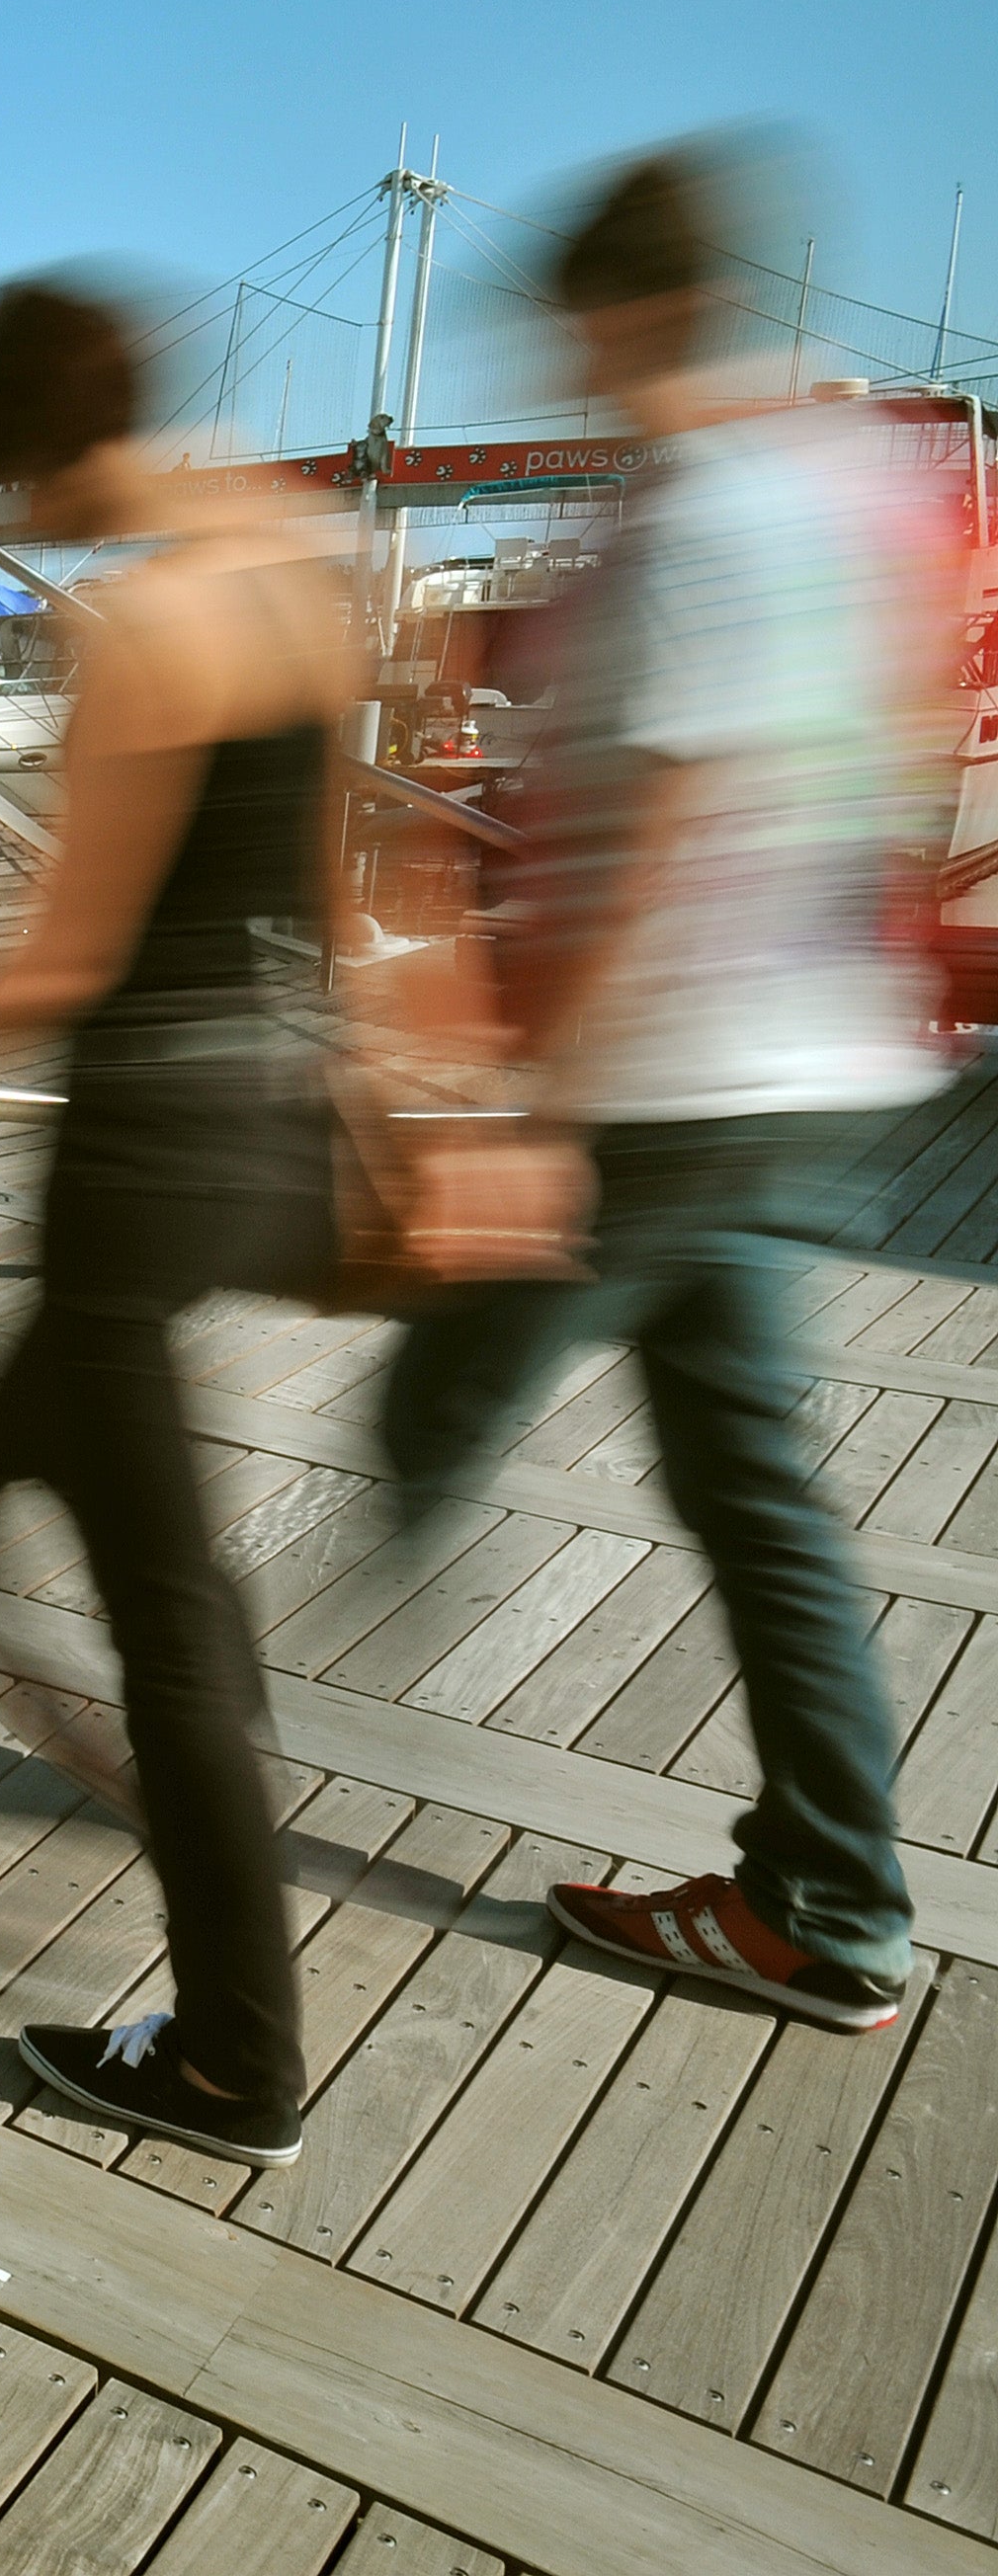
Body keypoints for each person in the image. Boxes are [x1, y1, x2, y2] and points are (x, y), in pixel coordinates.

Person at [378, 147, 952, 2036]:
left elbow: (669, 818)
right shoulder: (825, 483)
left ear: (620, 311)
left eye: (558, 317)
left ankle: (242, 1689)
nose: (549, 355)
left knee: (436, 1390)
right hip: (792, 1051)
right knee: (749, 1484)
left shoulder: (705, 510)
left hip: (683, 1077)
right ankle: (822, 1900)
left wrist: (533, 1102)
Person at [0, 279, 360, 2168]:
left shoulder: (140, 622)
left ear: (34, 436)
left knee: (85, 1566)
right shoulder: (300, 554)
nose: (6, 511)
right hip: (243, 1122)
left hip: (125, 1165)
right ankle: (180, 1829)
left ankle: (233, 2044)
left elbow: (58, 956)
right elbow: (319, 883)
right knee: (79, 1536)